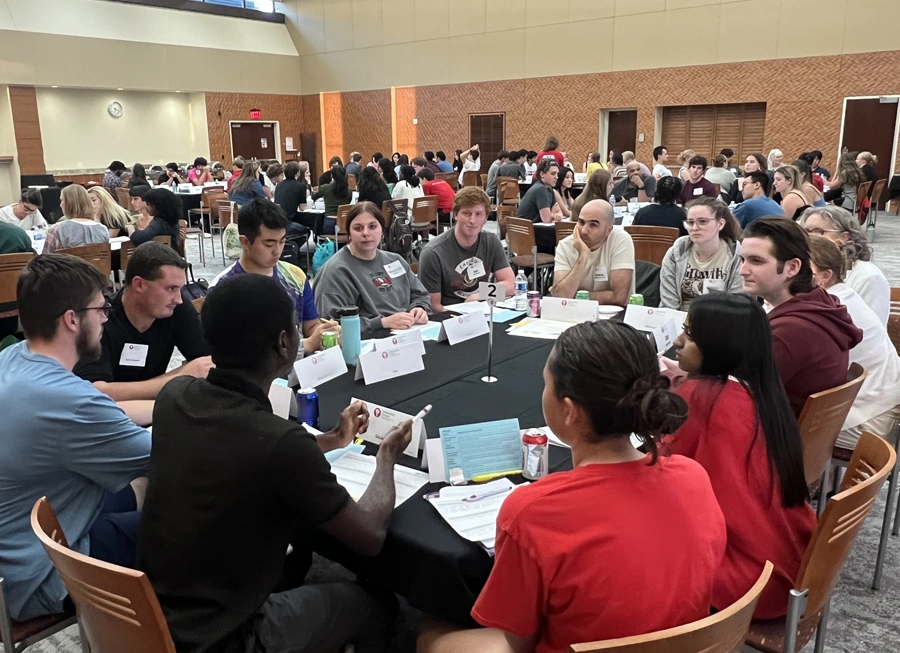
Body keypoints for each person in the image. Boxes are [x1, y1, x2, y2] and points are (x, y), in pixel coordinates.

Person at [138, 273, 408, 653]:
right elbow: (369, 538)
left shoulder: (175, 396)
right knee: (378, 604)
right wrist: (386, 459)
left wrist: (331, 440)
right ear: (285, 344)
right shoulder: (278, 441)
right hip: (226, 636)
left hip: (158, 611)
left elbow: (246, 457)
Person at [418, 320, 726, 653]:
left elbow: (519, 640)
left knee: (429, 629)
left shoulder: (533, 511)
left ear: (569, 411)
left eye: (546, 384)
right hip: (682, 643)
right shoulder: (692, 476)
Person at [0, 254, 152, 621]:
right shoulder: (68, 401)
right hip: (41, 574)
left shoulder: (15, 357)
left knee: (140, 487)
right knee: (190, 523)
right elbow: (169, 450)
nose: (105, 318)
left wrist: (167, 403)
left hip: (17, 541)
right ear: (72, 319)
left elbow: (102, 410)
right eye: (101, 309)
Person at [661, 292, 816, 619]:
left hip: (747, 578)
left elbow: (661, 470)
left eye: (689, 334)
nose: (677, 340)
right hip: (791, 558)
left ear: (718, 346)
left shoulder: (702, 397)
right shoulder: (761, 392)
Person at [740, 218, 862, 416]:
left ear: (792, 268)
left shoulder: (791, 331)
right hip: (792, 431)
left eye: (756, 261)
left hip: (773, 438)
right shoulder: (822, 302)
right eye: (742, 260)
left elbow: (739, 394)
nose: (742, 271)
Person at [72, 242, 210, 400]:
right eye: (171, 289)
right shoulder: (98, 318)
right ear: (139, 284)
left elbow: (205, 362)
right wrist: (179, 377)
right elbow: (95, 391)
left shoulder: (176, 309)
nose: (179, 299)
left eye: (180, 289)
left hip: (153, 409)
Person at [807, 235, 900, 448]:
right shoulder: (842, 296)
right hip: (877, 405)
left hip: (868, 419)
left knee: (765, 431)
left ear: (823, 277)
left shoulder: (826, 309)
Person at [314, 202, 431, 335]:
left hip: (410, 332)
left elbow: (420, 294)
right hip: (368, 341)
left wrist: (419, 308)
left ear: (382, 231)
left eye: (372, 227)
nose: (366, 233)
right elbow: (332, 325)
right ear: (349, 234)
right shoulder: (335, 272)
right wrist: (382, 323)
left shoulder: (396, 260)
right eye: (358, 228)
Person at [418, 187, 515, 311]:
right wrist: (465, 310)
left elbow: (511, 285)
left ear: (486, 218)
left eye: (478, 214)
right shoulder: (432, 253)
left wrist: (479, 296)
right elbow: (434, 306)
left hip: (482, 309)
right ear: (456, 215)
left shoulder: (491, 241)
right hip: (450, 315)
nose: (472, 221)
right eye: (466, 213)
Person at [799, 205, 889, 325]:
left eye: (818, 232)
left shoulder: (868, 277)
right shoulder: (805, 270)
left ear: (844, 237)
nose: (809, 238)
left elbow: (874, 325)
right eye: (805, 232)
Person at [660, 197, 744, 310]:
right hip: (679, 320)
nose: (695, 228)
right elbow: (668, 304)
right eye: (690, 222)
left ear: (720, 224)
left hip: (722, 320)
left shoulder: (735, 256)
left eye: (702, 222)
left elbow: (736, 305)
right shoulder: (675, 254)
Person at [552, 199, 635, 306]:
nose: (584, 231)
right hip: (575, 313)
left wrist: (574, 297)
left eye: (593, 225)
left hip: (613, 317)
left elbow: (618, 297)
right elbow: (560, 298)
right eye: (581, 222)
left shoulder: (620, 240)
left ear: (608, 230)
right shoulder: (565, 245)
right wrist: (584, 255)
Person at [44, 185, 109, 254]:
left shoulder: (56, 230)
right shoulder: (103, 230)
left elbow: (46, 260)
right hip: (97, 265)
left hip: (69, 264)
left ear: (69, 203)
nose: (60, 205)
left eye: (62, 200)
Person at [518, 158, 559, 227]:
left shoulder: (549, 188)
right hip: (526, 231)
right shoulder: (541, 189)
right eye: (553, 174)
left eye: (557, 174)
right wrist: (553, 214)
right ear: (542, 174)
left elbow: (559, 212)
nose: (557, 177)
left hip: (530, 228)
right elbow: (547, 220)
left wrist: (553, 214)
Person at [312, 166, 353, 235]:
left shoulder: (325, 188)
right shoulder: (349, 191)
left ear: (332, 176)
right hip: (343, 225)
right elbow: (348, 203)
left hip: (329, 224)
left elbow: (314, 197)